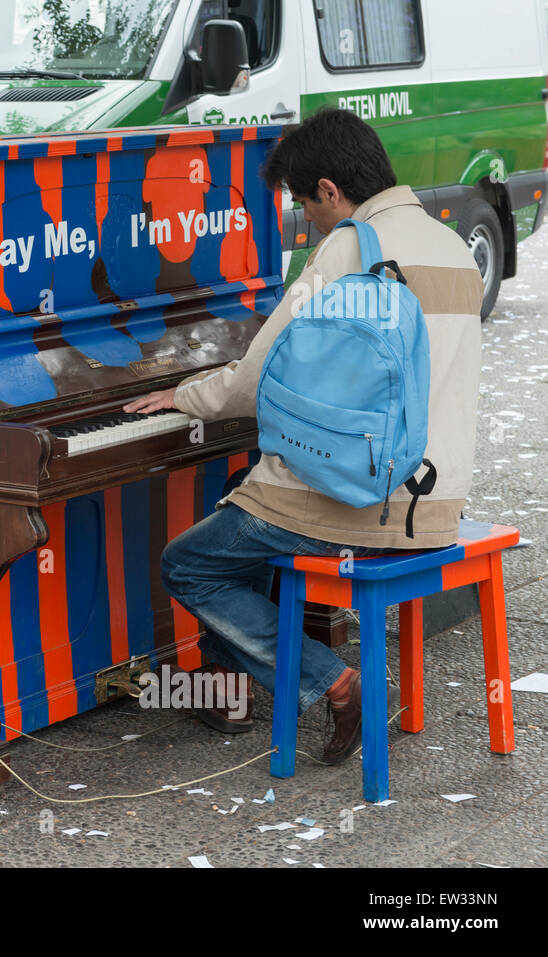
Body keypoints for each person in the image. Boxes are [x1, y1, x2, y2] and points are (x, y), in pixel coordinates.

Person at [126, 108, 483, 764]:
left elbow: (257, 373)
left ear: (328, 188)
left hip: (356, 504)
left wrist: (180, 395)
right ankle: (232, 683)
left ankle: (330, 680)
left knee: (190, 563)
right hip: (433, 503)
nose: (304, 220)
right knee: (245, 493)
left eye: (301, 203)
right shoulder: (454, 247)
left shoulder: (351, 247)